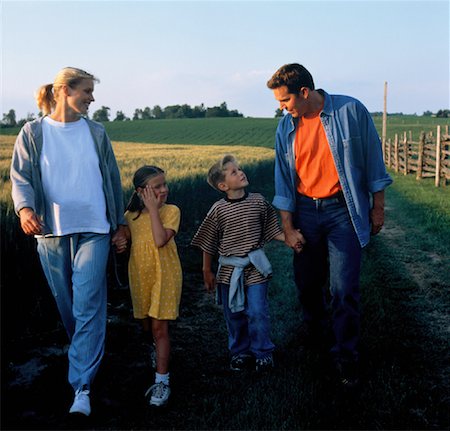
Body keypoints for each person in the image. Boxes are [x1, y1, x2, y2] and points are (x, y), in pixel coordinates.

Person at [10, 67, 128, 417]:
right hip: (50, 232)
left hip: (95, 228)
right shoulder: (32, 132)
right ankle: (88, 358)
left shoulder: (96, 132)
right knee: (69, 306)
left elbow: (111, 177)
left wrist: (119, 224)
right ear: (64, 91)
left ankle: (82, 387)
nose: (92, 98)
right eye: (87, 91)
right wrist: (25, 209)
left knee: (89, 303)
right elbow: (21, 177)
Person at [266, 63, 393, 388]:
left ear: (304, 92)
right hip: (306, 211)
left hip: (343, 211)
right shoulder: (285, 128)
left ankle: (345, 356)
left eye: (285, 101)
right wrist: (288, 226)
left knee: (344, 289)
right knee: (308, 285)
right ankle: (318, 338)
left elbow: (373, 160)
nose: (282, 108)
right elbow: (283, 179)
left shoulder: (351, 111)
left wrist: (377, 207)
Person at [191, 154, 286, 373]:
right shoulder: (218, 210)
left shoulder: (258, 201)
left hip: (255, 269)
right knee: (233, 314)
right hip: (229, 271)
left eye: (240, 169)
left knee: (257, 311)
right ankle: (240, 352)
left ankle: (262, 352)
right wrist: (206, 270)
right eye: (234, 172)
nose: (241, 172)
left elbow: (272, 229)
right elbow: (208, 242)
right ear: (223, 185)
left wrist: (289, 238)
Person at [124, 165, 182, 407]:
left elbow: (159, 240)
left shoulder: (171, 212)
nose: (164, 190)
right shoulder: (130, 217)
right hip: (140, 276)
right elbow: (123, 239)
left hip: (165, 276)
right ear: (141, 191)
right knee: (147, 327)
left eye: (165, 185)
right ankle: (157, 351)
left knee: (160, 329)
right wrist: (118, 239)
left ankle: (162, 381)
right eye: (157, 187)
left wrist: (153, 210)